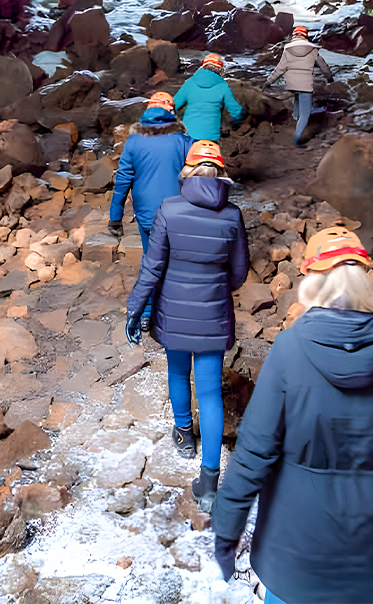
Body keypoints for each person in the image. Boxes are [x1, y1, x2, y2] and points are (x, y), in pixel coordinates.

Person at [212, 228, 373, 604]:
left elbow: (253, 453)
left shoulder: (289, 349)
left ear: (313, 281)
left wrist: (226, 534)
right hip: (372, 553)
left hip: (295, 552)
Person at [125, 139, 249, 512]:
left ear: (188, 171)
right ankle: (209, 483)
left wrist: (134, 309)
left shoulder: (169, 210)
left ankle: (183, 435)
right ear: (221, 173)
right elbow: (239, 274)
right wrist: (213, 285)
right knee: (210, 392)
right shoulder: (232, 215)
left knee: (178, 372)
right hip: (213, 316)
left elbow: (152, 268)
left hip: (173, 313)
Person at [108, 92, 191, 254]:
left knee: (152, 258)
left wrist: (115, 218)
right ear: (172, 113)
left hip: (146, 216)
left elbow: (122, 181)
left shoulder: (132, 142)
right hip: (178, 215)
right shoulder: (185, 142)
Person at [265, 25, 332, 148]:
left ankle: (294, 122)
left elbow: (280, 68)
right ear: (305, 36)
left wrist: (269, 81)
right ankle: (297, 139)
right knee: (305, 114)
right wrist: (329, 78)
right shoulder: (312, 49)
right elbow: (323, 67)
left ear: (294, 36)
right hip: (305, 84)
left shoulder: (287, 48)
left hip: (291, 83)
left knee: (297, 98)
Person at [173, 54, 245, 142]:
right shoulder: (223, 86)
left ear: (203, 67)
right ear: (220, 70)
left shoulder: (190, 82)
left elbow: (174, 104)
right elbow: (236, 111)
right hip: (211, 136)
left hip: (189, 134)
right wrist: (237, 123)